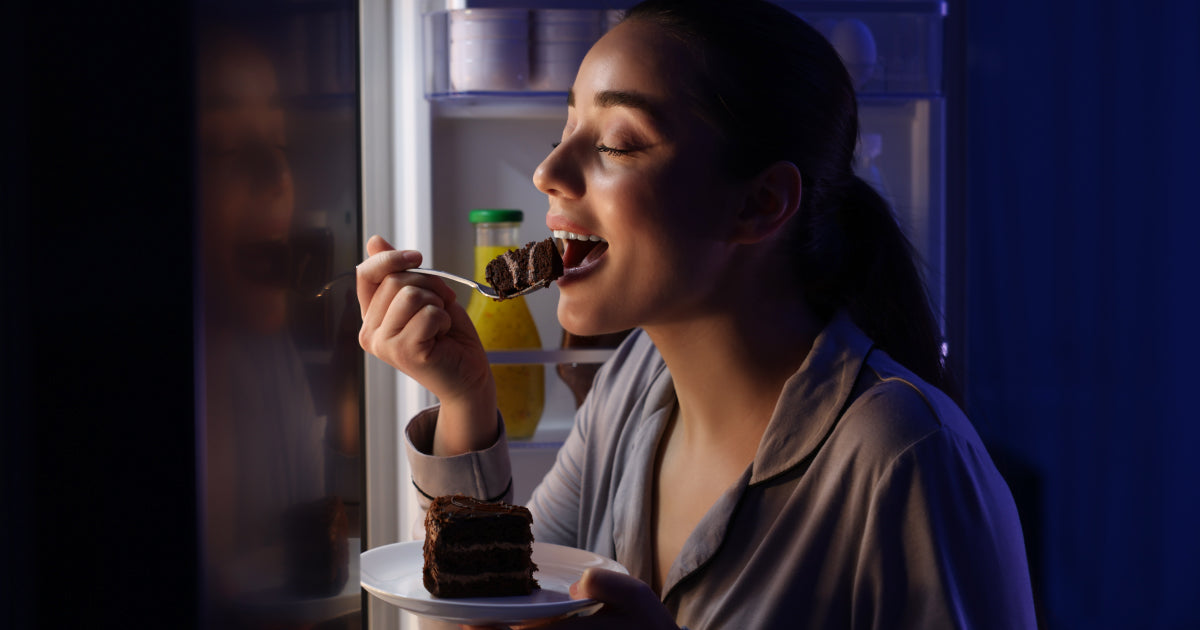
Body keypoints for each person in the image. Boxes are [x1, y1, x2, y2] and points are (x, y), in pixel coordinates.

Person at [356, 1, 1037, 627]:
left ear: (760, 203)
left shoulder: (908, 458)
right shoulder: (630, 388)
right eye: (565, 128)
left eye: (618, 142)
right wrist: (465, 397)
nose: (548, 170)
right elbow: (505, 609)